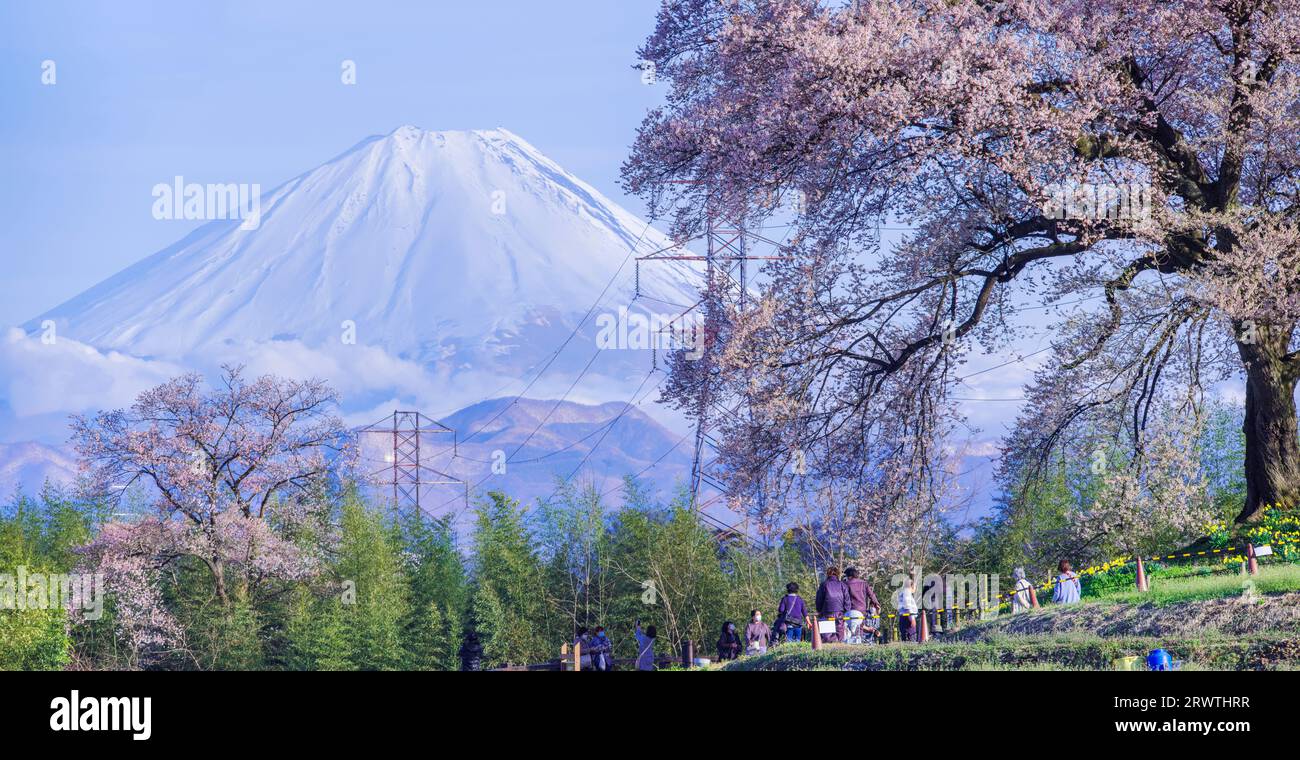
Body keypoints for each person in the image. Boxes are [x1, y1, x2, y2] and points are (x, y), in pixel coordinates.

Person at [843, 567, 880, 644]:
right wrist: (877, 604)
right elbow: (871, 595)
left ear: (849, 576)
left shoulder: (846, 584)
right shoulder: (864, 583)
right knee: (859, 629)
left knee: (847, 629)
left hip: (849, 610)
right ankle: (859, 644)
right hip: (861, 610)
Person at [815, 566, 851, 643]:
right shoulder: (843, 585)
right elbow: (847, 600)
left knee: (827, 636)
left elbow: (819, 599)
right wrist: (847, 611)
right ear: (837, 574)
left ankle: (828, 649)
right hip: (840, 612)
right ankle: (839, 648)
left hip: (827, 612)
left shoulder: (824, 585)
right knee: (840, 634)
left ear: (828, 574)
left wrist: (819, 610)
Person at [895, 577, 919, 642]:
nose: (915, 589)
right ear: (912, 586)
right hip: (908, 619)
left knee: (905, 638)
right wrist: (912, 619)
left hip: (904, 618)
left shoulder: (903, 593)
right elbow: (907, 606)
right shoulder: (907, 592)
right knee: (911, 638)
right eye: (915, 586)